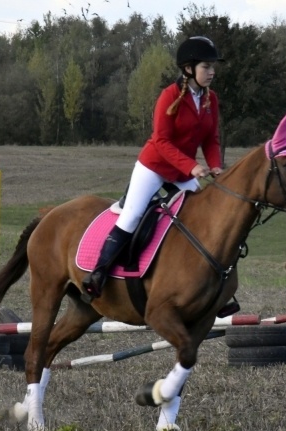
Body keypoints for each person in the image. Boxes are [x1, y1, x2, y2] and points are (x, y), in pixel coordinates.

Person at [81, 36, 225, 303]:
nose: (212, 72)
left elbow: (210, 139)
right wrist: (192, 166)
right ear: (188, 68)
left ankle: (206, 281)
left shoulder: (210, 99)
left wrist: (215, 165)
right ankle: (98, 274)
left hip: (182, 173)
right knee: (132, 215)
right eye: (206, 66)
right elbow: (161, 141)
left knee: (202, 217)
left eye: (213, 66)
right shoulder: (169, 96)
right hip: (154, 166)